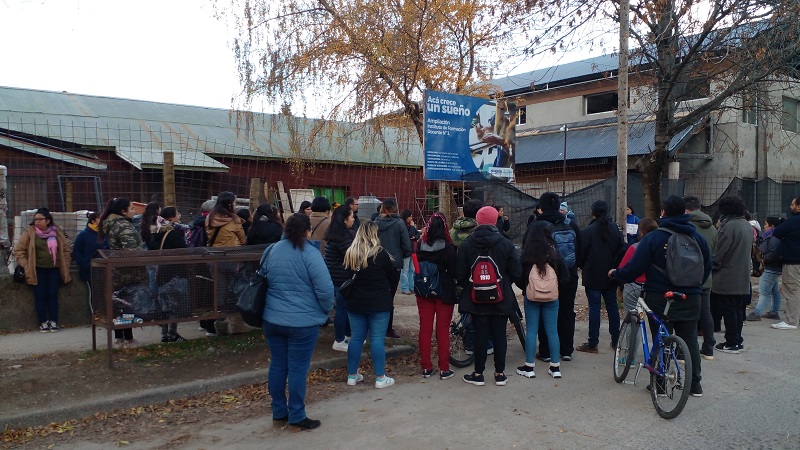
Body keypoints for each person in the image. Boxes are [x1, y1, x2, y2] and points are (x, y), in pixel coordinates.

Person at [610, 195, 711, 398]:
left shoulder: (654, 238)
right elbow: (706, 267)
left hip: (660, 296)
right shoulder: (697, 237)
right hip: (690, 296)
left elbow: (634, 268)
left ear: (663, 213)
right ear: (685, 213)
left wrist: (616, 274)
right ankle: (695, 384)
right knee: (690, 337)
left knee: (661, 338)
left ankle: (661, 384)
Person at [260, 213, 334, 431]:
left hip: (272, 319)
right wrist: (324, 310)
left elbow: (262, 279)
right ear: (307, 231)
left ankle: (279, 412)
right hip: (302, 322)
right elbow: (325, 289)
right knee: (298, 368)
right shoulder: (310, 254)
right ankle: (297, 415)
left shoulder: (271, 251)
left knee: (277, 365)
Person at [457, 206, 523, 387]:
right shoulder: (506, 243)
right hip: (501, 298)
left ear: (477, 221)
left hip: (475, 298)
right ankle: (500, 373)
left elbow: (460, 274)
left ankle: (478, 374)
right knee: (500, 334)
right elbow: (516, 272)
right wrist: (502, 284)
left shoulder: (467, 244)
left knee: (480, 335)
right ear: (495, 221)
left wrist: (473, 286)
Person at [527, 192, 582, 363]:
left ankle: (546, 352)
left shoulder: (537, 225)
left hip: (544, 276)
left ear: (541, 207)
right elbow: (580, 249)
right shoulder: (570, 224)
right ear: (559, 206)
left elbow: (527, 251)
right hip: (569, 275)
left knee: (544, 312)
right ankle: (566, 350)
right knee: (566, 311)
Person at [343, 221, 397, 389]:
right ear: (374, 234)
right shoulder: (381, 254)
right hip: (379, 302)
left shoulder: (350, 253)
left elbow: (346, 275)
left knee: (356, 338)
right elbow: (393, 277)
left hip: (355, 302)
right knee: (377, 339)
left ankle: (352, 375)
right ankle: (380, 377)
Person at [516, 221, 570, 379]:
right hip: (552, 298)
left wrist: (526, 287)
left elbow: (518, 276)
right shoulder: (555, 254)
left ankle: (529, 367)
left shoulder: (526, 255)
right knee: (552, 331)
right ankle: (555, 367)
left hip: (532, 297)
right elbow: (565, 277)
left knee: (532, 330)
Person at [13, 208, 73, 332]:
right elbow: (19, 251)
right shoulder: (29, 232)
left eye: (40, 219)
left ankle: (54, 321)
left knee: (52, 294)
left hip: (54, 270)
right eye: (35, 219)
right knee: (40, 295)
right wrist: (27, 265)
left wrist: (66, 264)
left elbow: (67, 250)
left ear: (48, 220)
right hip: (37, 270)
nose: (37, 222)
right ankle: (43, 322)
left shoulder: (57, 232)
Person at [576, 200, 624, 353]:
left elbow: (581, 254)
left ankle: (592, 343)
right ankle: (616, 340)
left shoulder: (588, 231)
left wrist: (584, 267)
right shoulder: (616, 229)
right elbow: (621, 250)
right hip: (611, 275)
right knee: (612, 307)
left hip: (592, 274)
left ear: (593, 213)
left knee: (594, 308)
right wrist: (615, 269)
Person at [415, 212, 458, 380]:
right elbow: (455, 271)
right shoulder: (448, 247)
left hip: (423, 291)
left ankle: (426, 367)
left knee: (424, 329)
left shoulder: (420, 244)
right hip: (444, 292)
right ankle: (444, 368)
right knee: (442, 330)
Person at [711, 196, 754, 353]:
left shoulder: (728, 227)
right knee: (737, 310)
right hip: (742, 275)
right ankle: (736, 340)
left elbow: (719, 252)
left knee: (728, 310)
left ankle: (731, 342)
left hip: (727, 275)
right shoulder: (746, 225)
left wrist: (712, 264)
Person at [99, 197, 144, 347]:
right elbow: (131, 251)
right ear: (123, 211)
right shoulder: (124, 226)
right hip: (129, 272)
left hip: (117, 270)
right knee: (127, 305)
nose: (134, 211)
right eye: (131, 208)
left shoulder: (112, 224)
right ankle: (129, 338)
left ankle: (120, 337)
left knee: (119, 305)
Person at [205, 192, 247, 336]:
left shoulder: (210, 217)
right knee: (236, 289)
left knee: (219, 291)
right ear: (230, 204)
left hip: (215, 259)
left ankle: (218, 324)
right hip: (232, 258)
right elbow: (242, 239)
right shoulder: (234, 219)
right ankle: (236, 323)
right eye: (234, 202)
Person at [147, 206, 188, 343]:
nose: (180, 215)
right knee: (174, 304)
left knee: (164, 304)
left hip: (161, 272)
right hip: (174, 272)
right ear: (171, 218)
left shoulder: (156, 233)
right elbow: (183, 250)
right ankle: (173, 333)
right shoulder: (174, 234)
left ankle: (165, 334)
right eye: (177, 213)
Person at [685, 195, 718, 360]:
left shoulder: (686, 226)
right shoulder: (713, 228)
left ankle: (684, 351)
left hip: (687, 277)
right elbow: (714, 253)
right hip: (706, 277)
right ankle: (709, 348)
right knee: (706, 313)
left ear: (686, 209)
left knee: (687, 315)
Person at [375, 198, 412, 338]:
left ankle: (376, 327)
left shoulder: (375, 223)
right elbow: (406, 245)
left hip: (377, 262)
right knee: (390, 297)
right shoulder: (399, 223)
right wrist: (400, 255)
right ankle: (388, 328)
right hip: (394, 264)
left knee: (378, 295)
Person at [324, 205, 356, 351]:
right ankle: (339, 340)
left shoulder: (336, 234)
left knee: (346, 308)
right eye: (351, 216)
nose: (353, 218)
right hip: (342, 278)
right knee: (342, 309)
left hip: (337, 277)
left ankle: (348, 336)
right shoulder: (343, 237)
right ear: (344, 220)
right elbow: (353, 257)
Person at [617, 217, 659, 313]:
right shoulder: (662, 246)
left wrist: (616, 274)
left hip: (635, 286)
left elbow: (623, 268)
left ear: (641, 232)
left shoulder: (634, 248)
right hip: (655, 287)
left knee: (632, 318)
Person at [771, 196, 800, 330]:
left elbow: (777, 232)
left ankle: (791, 321)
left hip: (793, 261)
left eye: (792, 204)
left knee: (792, 290)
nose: (790, 207)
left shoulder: (794, 221)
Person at [748, 217, 784, 322]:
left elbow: (773, 253)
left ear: (772, 226)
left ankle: (757, 312)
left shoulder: (773, 238)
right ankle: (774, 311)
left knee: (764, 291)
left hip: (770, 268)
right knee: (774, 291)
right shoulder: (775, 237)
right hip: (774, 267)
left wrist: (763, 259)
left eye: (766, 224)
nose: (764, 226)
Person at [73, 211, 108, 315]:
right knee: (95, 293)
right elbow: (76, 252)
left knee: (105, 292)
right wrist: (85, 264)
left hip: (105, 269)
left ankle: (106, 314)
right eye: (100, 218)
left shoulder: (104, 234)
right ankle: (96, 315)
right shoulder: (83, 235)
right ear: (93, 221)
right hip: (90, 270)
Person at [399, 209, 420, 295]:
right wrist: (412, 228)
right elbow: (408, 235)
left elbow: (417, 234)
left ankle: (412, 287)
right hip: (406, 251)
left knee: (412, 270)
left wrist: (414, 236)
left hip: (413, 250)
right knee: (405, 271)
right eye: (410, 216)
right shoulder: (403, 226)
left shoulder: (410, 226)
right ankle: (405, 288)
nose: (411, 218)